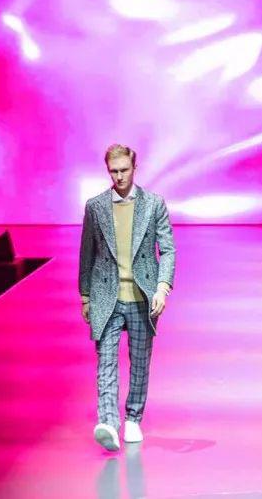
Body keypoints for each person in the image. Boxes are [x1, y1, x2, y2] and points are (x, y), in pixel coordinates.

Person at [79, 144, 176, 450]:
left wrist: (162, 287)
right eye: (114, 171)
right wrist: (85, 296)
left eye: (124, 170)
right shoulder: (95, 207)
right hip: (105, 295)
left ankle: (133, 417)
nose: (119, 176)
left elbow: (168, 250)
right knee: (106, 360)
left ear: (135, 168)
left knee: (140, 361)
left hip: (142, 295)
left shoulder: (154, 204)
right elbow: (87, 254)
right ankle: (108, 422)